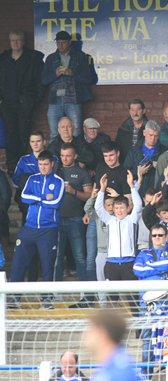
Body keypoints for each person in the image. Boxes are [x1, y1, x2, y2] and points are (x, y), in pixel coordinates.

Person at [66, 311, 145, 381]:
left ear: (102, 334)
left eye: (90, 328)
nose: (84, 333)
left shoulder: (122, 370)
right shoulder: (105, 370)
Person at [8, 151, 64, 310]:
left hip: (48, 229)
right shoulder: (32, 178)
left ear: (52, 164)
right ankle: (14, 297)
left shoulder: (58, 181)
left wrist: (37, 199)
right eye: (40, 164)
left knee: (48, 265)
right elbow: (24, 197)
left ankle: (46, 300)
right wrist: (42, 197)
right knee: (18, 263)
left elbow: (56, 202)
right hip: (29, 227)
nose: (43, 167)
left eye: (46, 164)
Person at [0, 29, 44, 174]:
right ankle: (12, 164)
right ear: (10, 42)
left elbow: (40, 82)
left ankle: (21, 164)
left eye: (18, 40)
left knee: (24, 134)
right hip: (6, 103)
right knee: (10, 133)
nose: (16, 43)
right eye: (13, 40)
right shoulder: (3, 59)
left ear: (24, 42)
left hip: (24, 103)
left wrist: (33, 100)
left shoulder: (32, 59)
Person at [41, 31, 92, 140]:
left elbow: (88, 78)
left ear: (69, 42)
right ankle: (54, 157)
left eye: (63, 42)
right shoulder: (51, 58)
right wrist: (55, 74)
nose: (60, 45)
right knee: (54, 134)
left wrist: (73, 74)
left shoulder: (79, 56)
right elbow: (43, 80)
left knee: (76, 133)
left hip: (73, 99)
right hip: (55, 100)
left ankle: (77, 156)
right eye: (58, 42)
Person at [54, 143, 93, 283]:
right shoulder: (55, 170)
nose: (65, 159)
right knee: (57, 257)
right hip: (57, 219)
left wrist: (74, 192)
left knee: (80, 256)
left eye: (68, 156)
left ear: (75, 156)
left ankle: (84, 290)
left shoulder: (82, 172)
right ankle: (54, 291)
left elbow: (89, 195)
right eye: (62, 156)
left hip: (76, 219)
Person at [123, 119, 166, 196]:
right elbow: (125, 173)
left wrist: (161, 167)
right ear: (144, 133)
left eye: (156, 136)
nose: (153, 139)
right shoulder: (133, 151)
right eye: (150, 135)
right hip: (137, 192)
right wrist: (138, 172)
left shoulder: (165, 151)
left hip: (157, 193)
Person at [94, 141, 132, 209]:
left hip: (115, 214)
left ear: (118, 153)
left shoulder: (124, 173)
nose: (108, 159)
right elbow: (95, 188)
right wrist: (88, 213)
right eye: (105, 156)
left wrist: (118, 196)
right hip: (98, 211)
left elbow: (129, 206)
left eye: (111, 155)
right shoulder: (100, 167)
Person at [115, 99, 148, 163]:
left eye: (138, 110)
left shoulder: (150, 129)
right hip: (126, 165)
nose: (135, 113)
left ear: (144, 111)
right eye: (132, 110)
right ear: (129, 111)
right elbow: (118, 150)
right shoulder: (123, 129)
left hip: (145, 165)